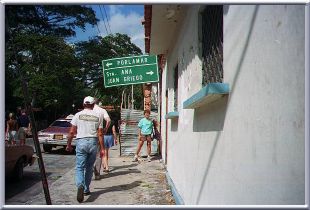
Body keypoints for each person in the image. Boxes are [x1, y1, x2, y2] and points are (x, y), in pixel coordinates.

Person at [66, 96, 105, 203]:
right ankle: (86, 189)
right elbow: (100, 133)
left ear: (83, 105)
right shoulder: (99, 115)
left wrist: (68, 144)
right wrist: (102, 149)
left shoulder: (77, 115)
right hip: (93, 142)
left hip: (81, 141)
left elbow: (71, 132)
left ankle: (80, 185)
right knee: (89, 167)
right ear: (93, 105)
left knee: (79, 167)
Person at [93, 98, 111, 179]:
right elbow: (108, 120)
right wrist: (105, 129)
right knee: (99, 154)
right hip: (99, 134)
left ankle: (87, 173)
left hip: (88, 135)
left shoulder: (87, 110)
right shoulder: (102, 110)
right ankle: (97, 174)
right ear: (98, 103)